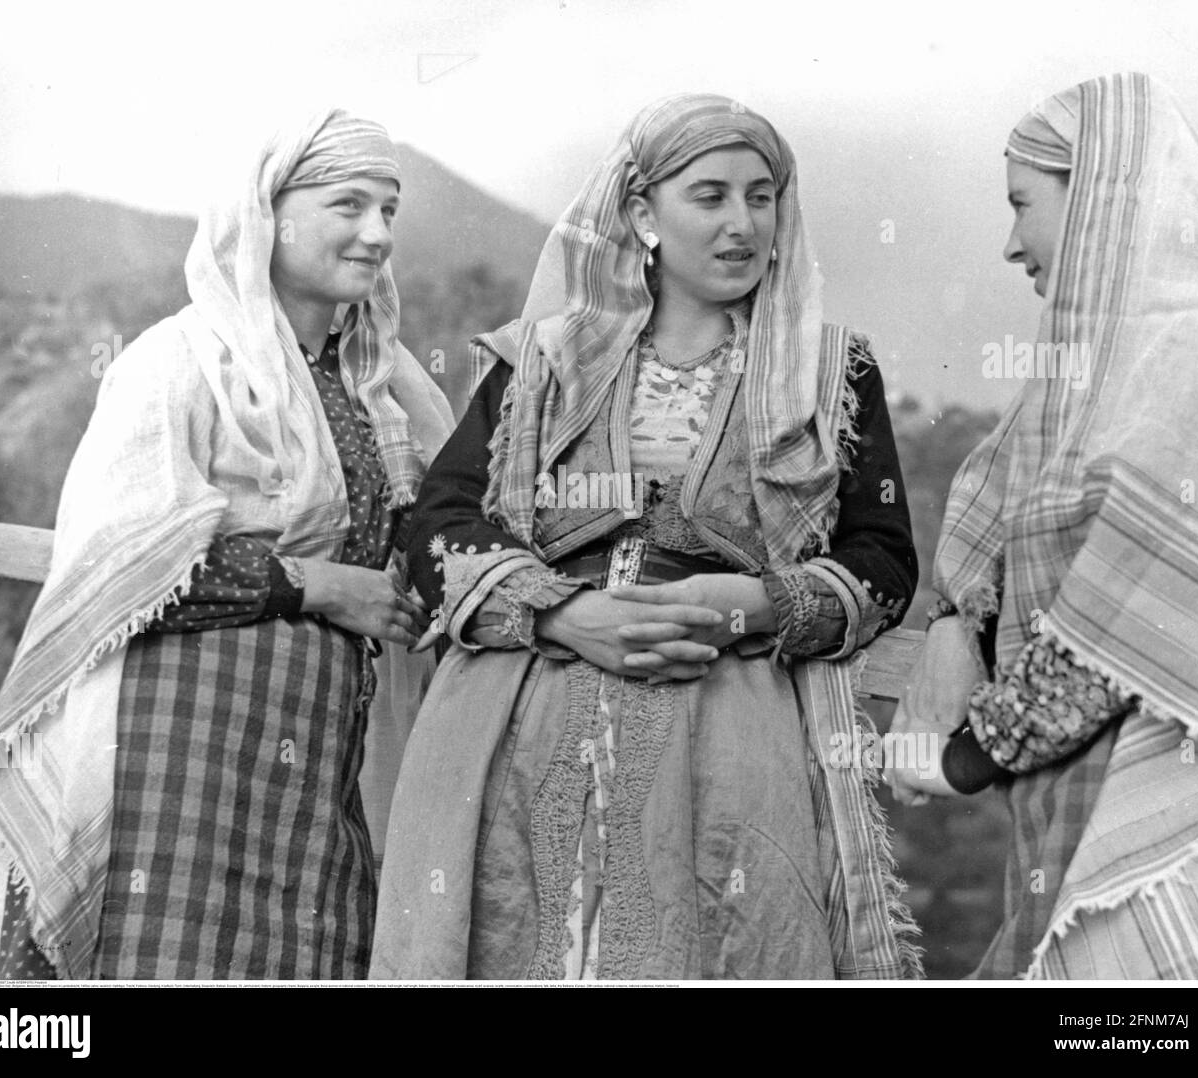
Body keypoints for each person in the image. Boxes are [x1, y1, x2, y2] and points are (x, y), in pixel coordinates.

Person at [371, 93, 922, 980]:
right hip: (518, 719)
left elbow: (884, 561)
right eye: (709, 196)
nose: (742, 223)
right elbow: (441, 526)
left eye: (762, 195)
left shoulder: (830, 372)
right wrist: (563, 614)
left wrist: (755, 602)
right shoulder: (543, 360)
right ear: (641, 213)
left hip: (731, 729)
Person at [0, 110, 454, 979]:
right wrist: (320, 586)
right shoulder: (178, 364)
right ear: (268, 213)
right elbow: (122, 563)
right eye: (349, 205)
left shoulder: (385, 391)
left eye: (390, 210)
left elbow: (430, 538)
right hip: (178, 745)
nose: (377, 234)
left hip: (317, 751)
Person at [888, 72, 1198, 979]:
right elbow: (995, 531)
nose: (1011, 244)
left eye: (1022, 204)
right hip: (1068, 813)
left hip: (1175, 825)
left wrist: (972, 753)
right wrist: (954, 625)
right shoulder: (1086, 382)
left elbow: (1125, 617)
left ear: (1100, 200)